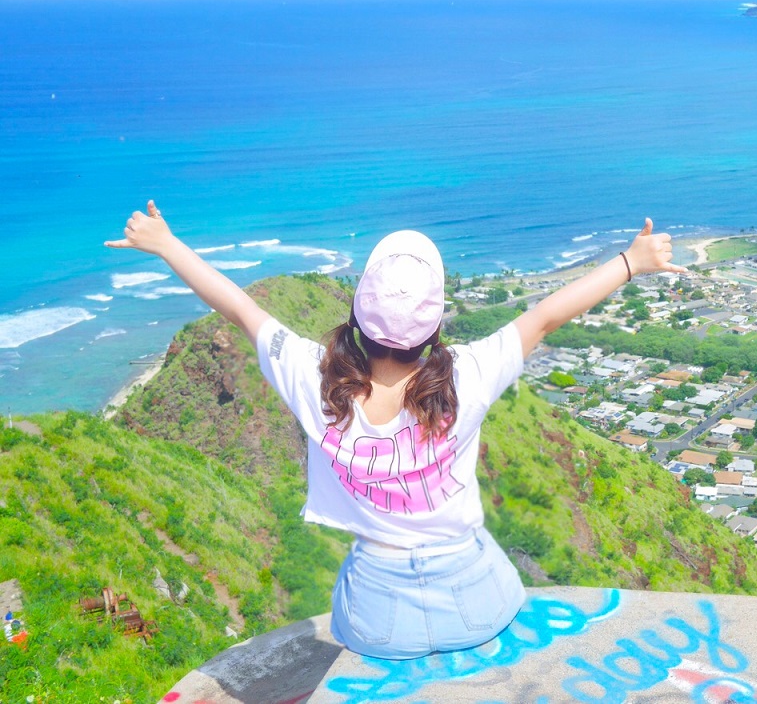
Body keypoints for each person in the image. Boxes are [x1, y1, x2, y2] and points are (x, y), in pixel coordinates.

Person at [107, 202, 685, 659]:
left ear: (357, 316)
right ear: (435, 327)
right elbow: (547, 315)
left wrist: (166, 245)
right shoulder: (467, 376)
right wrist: (632, 261)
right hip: (479, 597)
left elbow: (237, 307)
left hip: (375, 614)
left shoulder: (315, 381)